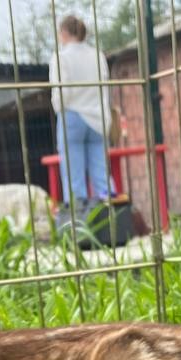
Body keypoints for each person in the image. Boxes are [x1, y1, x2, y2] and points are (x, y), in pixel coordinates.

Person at [50, 15, 112, 217]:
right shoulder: (98, 55)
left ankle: (79, 217)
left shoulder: (61, 57)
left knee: (73, 173)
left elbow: (62, 91)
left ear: (65, 33)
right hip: (98, 116)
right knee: (101, 170)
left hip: (72, 116)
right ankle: (110, 212)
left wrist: (59, 108)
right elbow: (104, 86)